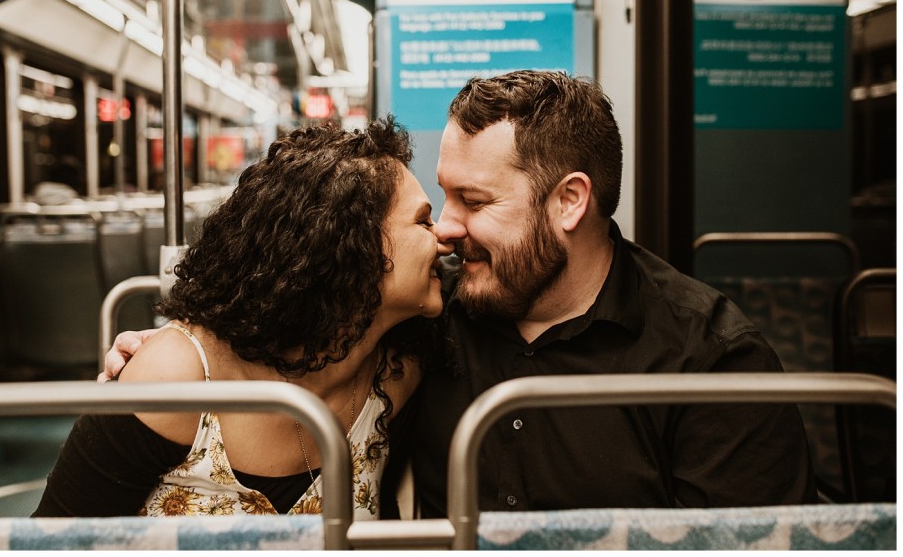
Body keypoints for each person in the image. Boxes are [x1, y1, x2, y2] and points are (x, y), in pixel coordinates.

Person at [103, 70, 816, 516]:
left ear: (569, 202)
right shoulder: (424, 319)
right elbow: (283, 341)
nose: (446, 228)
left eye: (474, 201)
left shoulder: (711, 363)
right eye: (443, 198)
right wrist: (164, 357)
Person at [34, 117, 449, 519]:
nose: (443, 238)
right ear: (353, 243)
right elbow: (54, 539)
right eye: (423, 220)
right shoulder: (177, 378)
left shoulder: (396, 373)